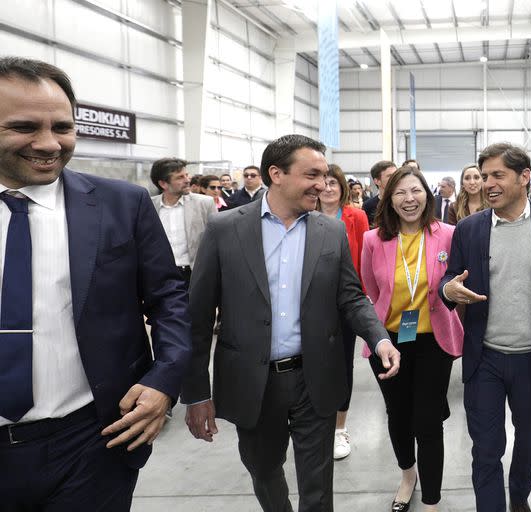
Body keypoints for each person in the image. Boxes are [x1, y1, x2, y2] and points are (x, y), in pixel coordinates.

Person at [0, 56, 191, 510]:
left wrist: (163, 380)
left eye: (62, 127)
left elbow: (169, 300)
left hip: (91, 442)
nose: (48, 144)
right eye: (24, 127)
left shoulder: (120, 205)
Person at [182, 134, 401, 512]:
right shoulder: (224, 229)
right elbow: (199, 317)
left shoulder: (328, 230)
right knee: (263, 470)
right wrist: (197, 393)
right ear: (276, 174)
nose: (323, 183)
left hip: (313, 377)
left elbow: (350, 295)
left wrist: (379, 339)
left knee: (317, 484)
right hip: (253, 381)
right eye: (312, 174)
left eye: (325, 174)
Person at [439, 142, 531, 512]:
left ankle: (519, 497)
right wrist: (449, 289)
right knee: (486, 448)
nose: (487, 183)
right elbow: (448, 281)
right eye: (484, 175)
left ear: (524, 178)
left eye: (497, 175)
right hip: (483, 357)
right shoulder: (469, 229)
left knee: (527, 433)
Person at [362, 167, 463, 512]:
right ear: (389, 199)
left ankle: (431, 500)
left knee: (428, 420)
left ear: (428, 195)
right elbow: (371, 291)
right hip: (390, 341)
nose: (409, 199)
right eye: (400, 193)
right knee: (398, 414)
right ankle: (408, 475)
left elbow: (456, 283)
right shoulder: (374, 240)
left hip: (434, 340)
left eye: (416, 191)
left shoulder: (448, 234)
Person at [316, 163, 369, 460]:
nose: (328, 188)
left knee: (342, 365)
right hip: (312, 305)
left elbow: (362, 259)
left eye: (333, 183)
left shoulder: (356, 216)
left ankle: (340, 428)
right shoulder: (305, 215)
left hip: (346, 303)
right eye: (323, 182)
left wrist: (361, 299)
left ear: (342, 187)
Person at [150, 158, 217, 286]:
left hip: (194, 274)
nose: (187, 180)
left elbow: (217, 240)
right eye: (180, 177)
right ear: (163, 184)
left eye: (186, 175)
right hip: (161, 275)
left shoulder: (205, 203)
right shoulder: (150, 205)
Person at [363, 160, 397, 227]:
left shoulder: (402, 201)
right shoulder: (368, 206)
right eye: (390, 176)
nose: (395, 178)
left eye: (396, 175)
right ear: (377, 181)